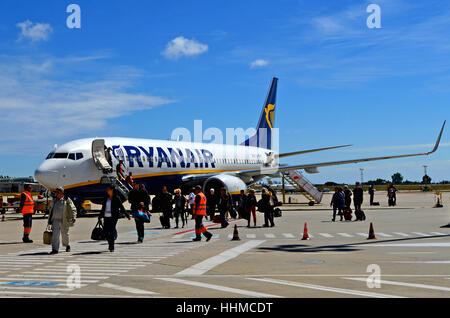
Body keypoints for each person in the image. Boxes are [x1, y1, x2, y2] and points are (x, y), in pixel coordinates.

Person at [99, 185, 131, 252]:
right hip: (106, 217)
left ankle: (111, 246)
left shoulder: (116, 198)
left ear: (112, 190)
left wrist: (127, 215)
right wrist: (100, 216)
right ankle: (111, 240)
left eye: (108, 189)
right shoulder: (106, 198)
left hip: (113, 217)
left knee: (111, 230)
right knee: (106, 231)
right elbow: (103, 208)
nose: (107, 191)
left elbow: (121, 207)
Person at [47, 187, 77, 254]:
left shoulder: (66, 200)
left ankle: (67, 245)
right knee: (55, 235)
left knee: (65, 234)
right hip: (55, 220)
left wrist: (74, 217)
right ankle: (55, 249)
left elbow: (73, 208)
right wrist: (49, 220)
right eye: (56, 192)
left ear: (62, 193)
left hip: (64, 220)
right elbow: (50, 210)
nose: (56, 193)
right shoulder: (54, 200)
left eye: (58, 192)